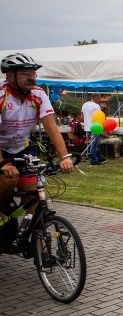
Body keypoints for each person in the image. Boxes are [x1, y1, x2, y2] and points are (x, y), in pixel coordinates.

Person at [0, 53, 74, 221]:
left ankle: (35, 233)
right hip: (1, 148)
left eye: (33, 73)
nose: (31, 77)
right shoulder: (2, 95)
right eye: (25, 73)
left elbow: (52, 129)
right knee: (9, 178)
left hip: (22, 146)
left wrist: (65, 157)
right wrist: (3, 163)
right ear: (10, 76)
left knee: (33, 194)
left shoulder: (38, 94)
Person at [81, 92, 106, 166]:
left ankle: (99, 157)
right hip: (95, 127)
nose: (100, 100)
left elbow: (82, 117)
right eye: (99, 98)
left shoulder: (84, 105)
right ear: (96, 98)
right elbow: (99, 117)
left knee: (95, 143)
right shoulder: (96, 106)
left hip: (87, 127)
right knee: (94, 145)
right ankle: (93, 161)